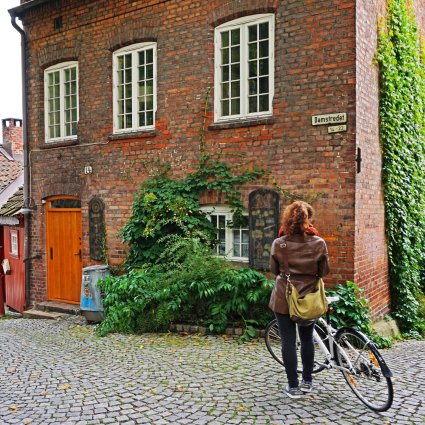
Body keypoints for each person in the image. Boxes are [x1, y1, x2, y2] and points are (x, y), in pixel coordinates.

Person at [269, 201, 329, 398]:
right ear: (308, 220)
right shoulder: (319, 243)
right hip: (309, 296)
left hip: (284, 297)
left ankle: (293, 386)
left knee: (288, 341)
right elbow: (324, 272)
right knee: (307, 339)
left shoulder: (279, 244)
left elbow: (274, 270)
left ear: (287, 219)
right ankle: (307, 382)